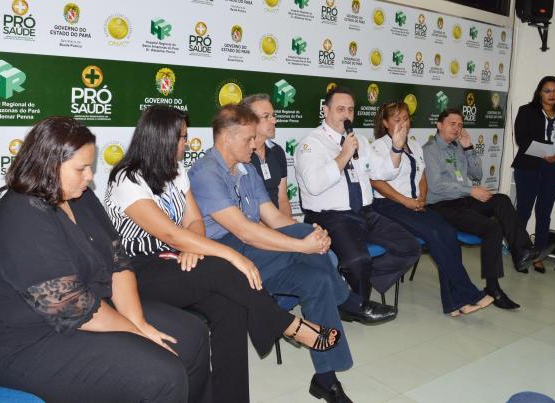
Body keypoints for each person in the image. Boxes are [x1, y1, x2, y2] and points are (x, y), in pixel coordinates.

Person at [105, 106, 340, 403]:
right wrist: (231, 255)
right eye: (181, 137)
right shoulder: (127, 179)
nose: (187, 143)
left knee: (230, 306)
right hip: (136, 273)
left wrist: (192, 246)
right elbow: (170, 233)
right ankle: (287, 325)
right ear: (161, 138)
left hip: (175, 257)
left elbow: (193, 222)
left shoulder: (175, 172)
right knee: (224, 267)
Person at [0, 117, 211, 403]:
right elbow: (73, 309)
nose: (90, 177)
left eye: (90, 167)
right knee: (162, 374)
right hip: (22, 344)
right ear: (48, 165)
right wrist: (135, 331)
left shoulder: (78, 196)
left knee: (192, 335)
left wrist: (139, 323)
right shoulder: (22, 217)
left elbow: (119, 262)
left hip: (89, 313)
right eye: (81, 168)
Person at [189, 104, 389, 403]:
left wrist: (310, 238)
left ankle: (326, 379)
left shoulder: (245, 168)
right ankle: (348, 300)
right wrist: (302, 244)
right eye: (249, 139)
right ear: (226, 139)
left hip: (257, 249)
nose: (256, 144)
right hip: (225, 257)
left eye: (256, 138)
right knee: (312, 247)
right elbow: (243, 230)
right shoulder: (206, 172)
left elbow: (273, 217)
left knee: (317, 279)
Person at [294, 87, 421, 308]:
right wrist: (343, 155)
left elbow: (384, 172)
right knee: (357, 260)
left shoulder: (360, 141)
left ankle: (355, 284)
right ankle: (358, 304)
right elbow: (314, 185)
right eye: (340, 109)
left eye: (350, 110)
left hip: (365, 212)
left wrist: (397, 149)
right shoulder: (311, 143)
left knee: (410, 246)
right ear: (325, 111)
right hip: (331, 217)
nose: (346, 115)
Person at [370, 101, 493, 316]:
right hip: (389, 204)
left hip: (415, 203)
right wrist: (405, 201)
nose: (403, 124)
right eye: (397, 119)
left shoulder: (415, 145)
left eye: (406, 119)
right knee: (436, 233)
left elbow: (423, 175)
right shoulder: (377, 147)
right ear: (385, 122)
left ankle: (453, 303)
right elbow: (377, 182)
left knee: (448, 233)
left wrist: (422, 197)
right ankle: (468, 293)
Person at [423, 108, 548, 310]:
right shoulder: (430, 150)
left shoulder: (458, 147)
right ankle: (493, 288)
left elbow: (477, 174)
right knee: (492, 228)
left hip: (463, 198)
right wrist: (470, 191)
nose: (457, 128)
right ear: (439, 125)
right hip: (441, 205)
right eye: (452, 124)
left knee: (501, 200)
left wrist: (469, 148)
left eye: (460, 125)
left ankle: (522, 251)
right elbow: (437, 186)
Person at [513, 76, 555, 273]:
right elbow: (522, 139)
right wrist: (546, 152)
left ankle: (538, 256)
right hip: (528, 167)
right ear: (539, 92)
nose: (552, 95)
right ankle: (520, 253)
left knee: (544, 213)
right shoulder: (526, 111)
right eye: (547, 90)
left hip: (554, 169)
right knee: (523, 211)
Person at [241, 93, 293, 217]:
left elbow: (283, 199)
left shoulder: (277, 151)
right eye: (266, 116)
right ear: (249, 120)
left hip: (278, 222)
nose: (274, 121)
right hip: (254, 226)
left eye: (273, 116)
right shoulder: (240, 154)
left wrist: (289, 226)